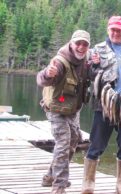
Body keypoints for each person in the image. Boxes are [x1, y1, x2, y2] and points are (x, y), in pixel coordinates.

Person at [81, 16, 121, 194]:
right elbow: (90, 75)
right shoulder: (97, 50)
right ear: (108, 30)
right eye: (113, 29)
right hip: (104, 105)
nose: (116, 33)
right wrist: (92, 66)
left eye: (119, 30)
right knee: (96, 144)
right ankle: (88, 183)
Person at [36, 29, 91, 194]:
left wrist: (95, 64)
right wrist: (47, 74)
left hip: (74, 110)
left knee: (74, 141)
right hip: (56, 110)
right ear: (71, 43)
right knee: (63, 143)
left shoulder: (86, 60)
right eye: (78, 43)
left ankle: (49, 177)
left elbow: (92, 75)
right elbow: (41, 78)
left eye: (85, 44)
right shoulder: (60, 61)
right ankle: (59, 186)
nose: (81, 47)